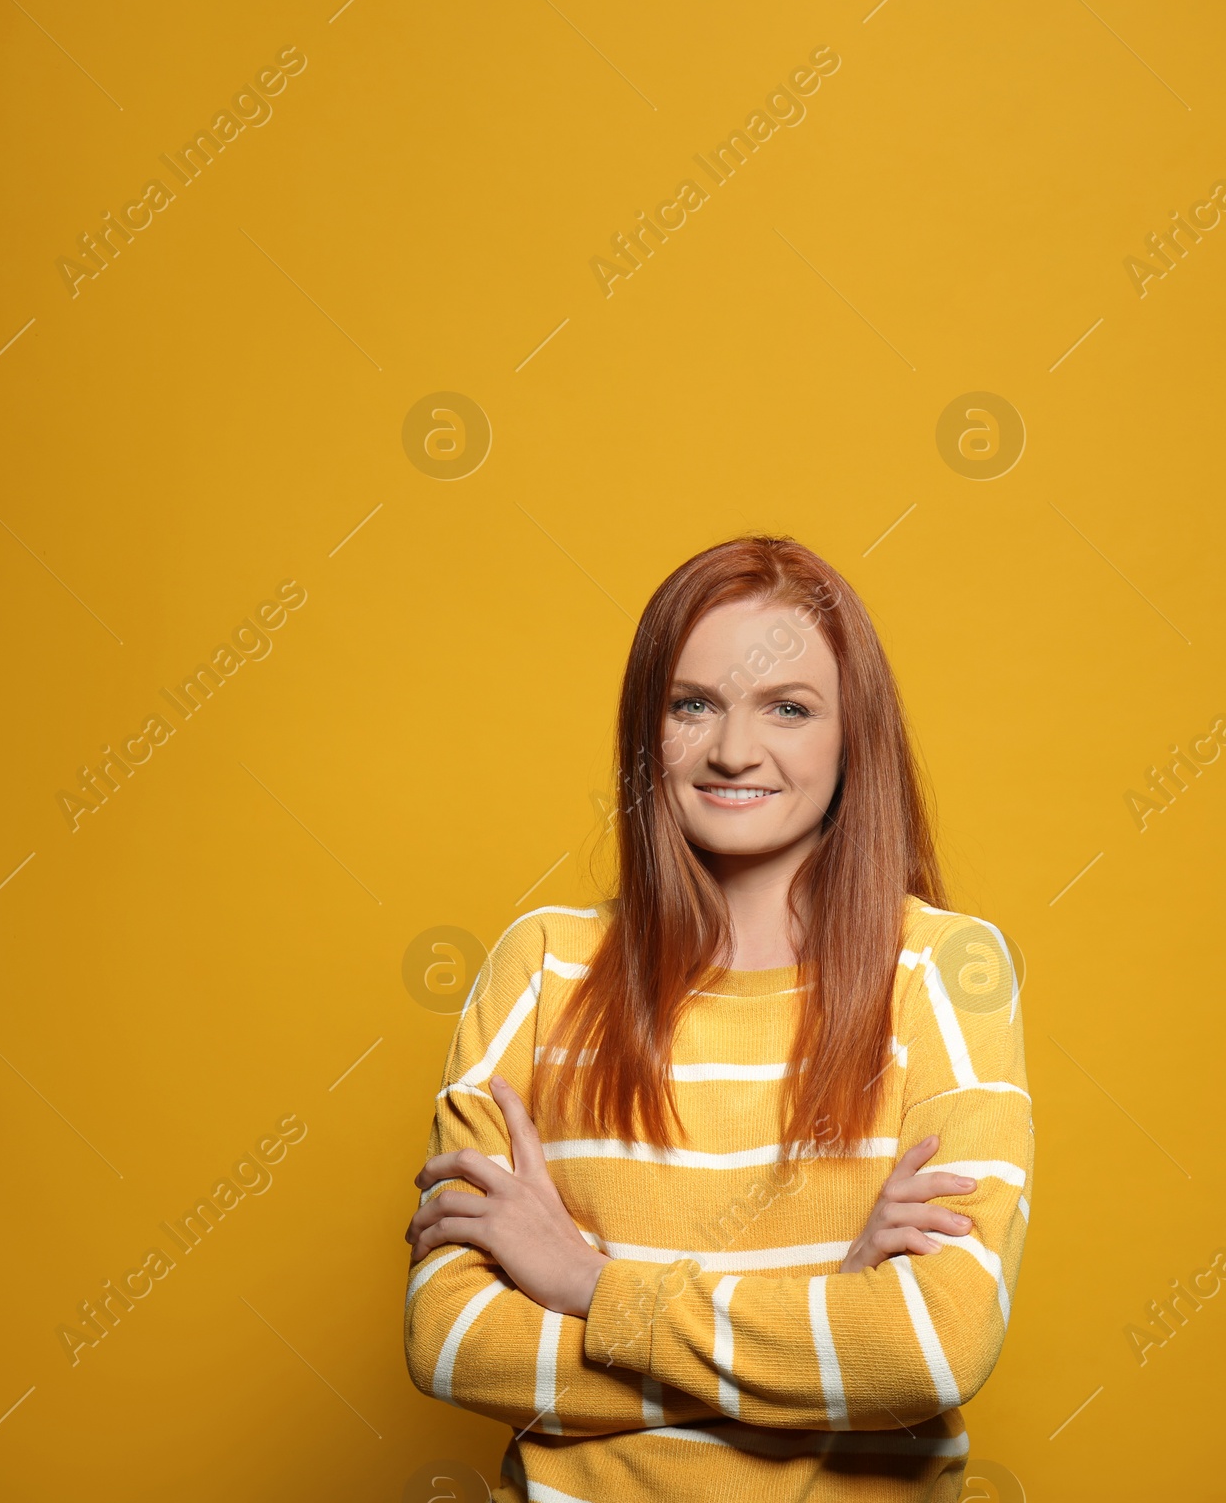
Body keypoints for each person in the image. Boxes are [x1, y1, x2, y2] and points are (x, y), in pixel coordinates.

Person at [403, 535, 1033, 1502]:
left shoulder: (948, 970)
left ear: (851, 734)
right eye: (693, 705)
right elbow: (451, 1344)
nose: (735, 749)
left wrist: (586, 1287)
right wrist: (822, 1329)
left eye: (789, 707)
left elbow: (930, 1351)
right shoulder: (540, 967)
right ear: (645, 730)